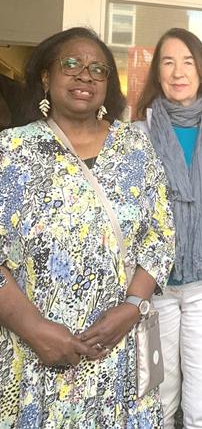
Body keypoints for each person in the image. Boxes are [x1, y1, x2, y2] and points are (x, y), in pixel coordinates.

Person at [0, 27, 175, 427]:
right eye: (72, 64)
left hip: (119, 355)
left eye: (98, 69)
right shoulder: (10, 152)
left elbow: (160, 237)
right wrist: (34, 329)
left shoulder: (134, 149)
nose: (85, 76)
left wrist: (132, 308)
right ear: (45, 77)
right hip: (34, 357)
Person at [135, 28, 202, 429]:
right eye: (168, 62)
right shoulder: (136, 137)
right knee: (157, 403)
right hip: (152, 288)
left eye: (188, 62)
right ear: (157, 73)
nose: (178, 72)